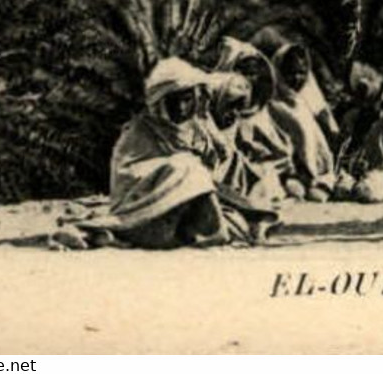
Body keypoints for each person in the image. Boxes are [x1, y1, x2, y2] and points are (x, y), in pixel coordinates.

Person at [53, 59, 252, 250]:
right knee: (188, 168)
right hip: (146, 210)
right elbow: (127, 175)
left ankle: (206, 230)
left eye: (187, 100)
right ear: (162, 102)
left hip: (186, 208)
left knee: (239, 222)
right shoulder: (140, 129)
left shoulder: (198, 127)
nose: (182, 108)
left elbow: (219, 162)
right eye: (175, 101)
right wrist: (180, 173)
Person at [252, 33, 340, 201]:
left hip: (310, 173)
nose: (297, 79)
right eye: (291, 73)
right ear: (278, 72)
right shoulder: (270, 104)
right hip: (284, 172)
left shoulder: (302, 104)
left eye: (301, 73)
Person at [213, 37, 296, 199]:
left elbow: (278, 151)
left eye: (254, 74)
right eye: (245, 73)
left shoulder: (259, 111)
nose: (251, 79)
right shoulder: (218, 102)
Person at [207, 72, 286, 238]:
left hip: (232, 184)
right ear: (215, 102)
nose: (235, 113)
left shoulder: (235, 124)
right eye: (230, 106)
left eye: (239, 108)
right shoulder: (202, 127)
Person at [334, 62, 383, 204]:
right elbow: (341, 148)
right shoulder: (351, 118)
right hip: (353, 171)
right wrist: (344, 168)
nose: (367, 106)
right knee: (341, 190)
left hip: (377, 171)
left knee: (365, 192)